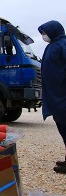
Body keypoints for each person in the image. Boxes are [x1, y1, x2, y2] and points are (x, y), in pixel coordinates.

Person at [38, 20, 66, 174]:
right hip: (55, 95)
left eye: (44, 32)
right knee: (62, 127)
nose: (43, 35)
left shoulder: (62, 45)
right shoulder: (52, 46)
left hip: (62, 95)